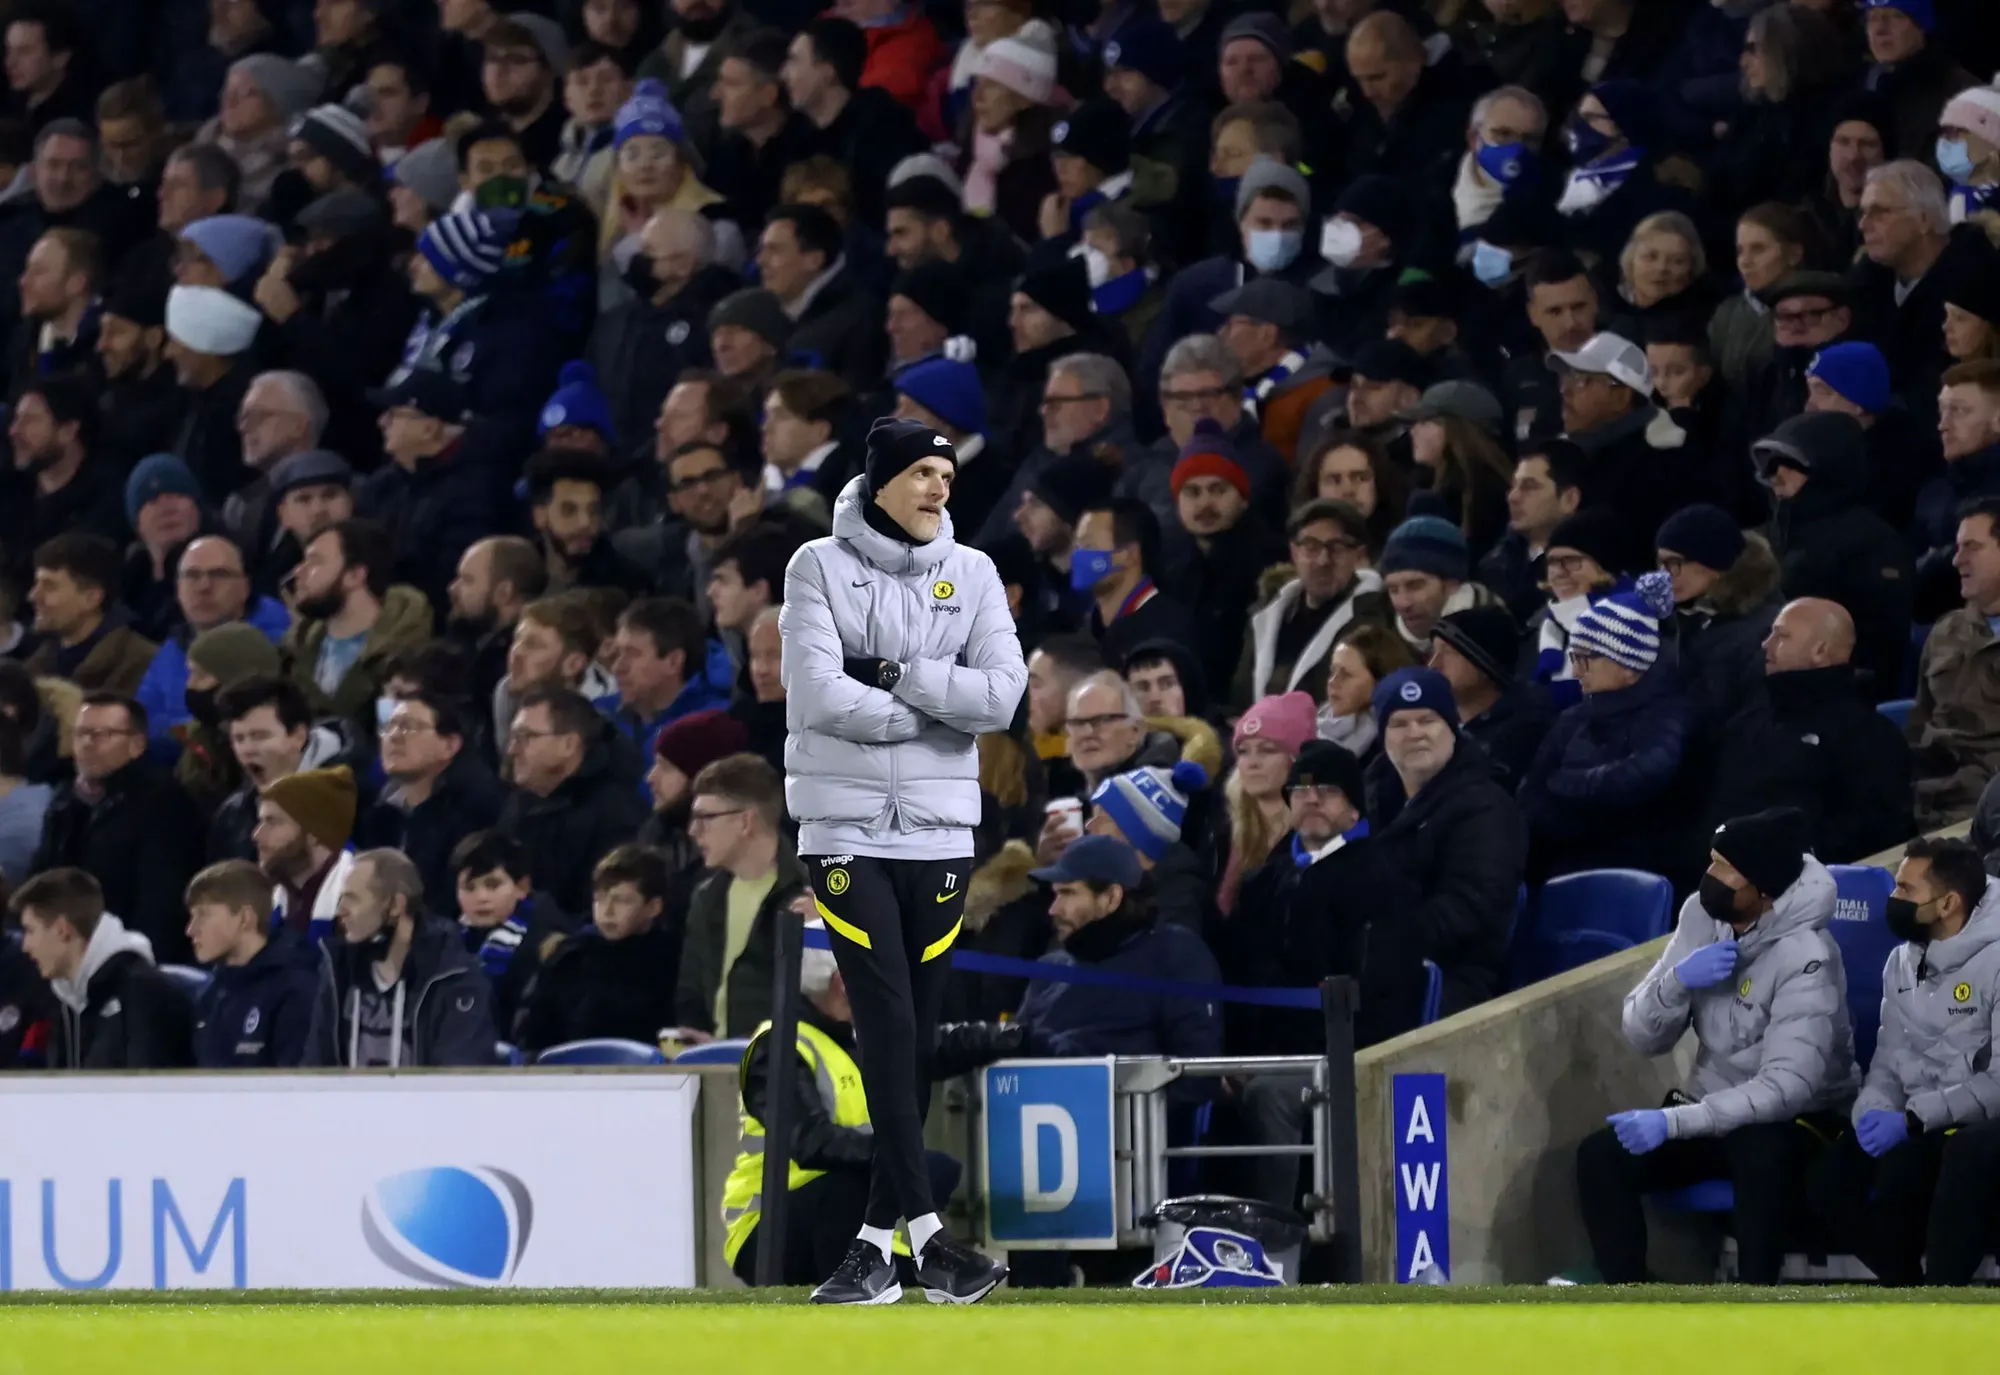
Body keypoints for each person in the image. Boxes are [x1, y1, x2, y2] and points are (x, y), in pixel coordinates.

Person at [779, 416, 1025, 1304]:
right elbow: (815, 695)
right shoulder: (815, 565)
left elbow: (1000, 697)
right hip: (843, 831)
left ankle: (874, 1251)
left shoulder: (976, 572)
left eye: (945, 477)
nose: (936, 489)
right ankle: (930, 1238)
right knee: (884, 1012)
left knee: (916, 1031)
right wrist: (934, 709)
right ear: (879, 479)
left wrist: (890, 675)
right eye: (920, 473)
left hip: (940, 834)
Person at [1578, 807, 1857, 1287]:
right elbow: (1643, 1036)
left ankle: (1751, 1313)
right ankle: (1627, 1301)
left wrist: (1672, 1121)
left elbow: (1785, 1089)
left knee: (1758, 1153)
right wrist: (1676, 983)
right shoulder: (1701, 917)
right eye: (1711, 861)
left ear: (1763, 889)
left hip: (1801, 1121)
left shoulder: (1808, 956)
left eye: (1725, 868)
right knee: (1601, 1156)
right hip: (1711, 1108)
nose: (1710, 877)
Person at [1223, 740, 1425, 1204]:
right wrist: (1232, 1058)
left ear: (1354, 807)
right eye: (1300, 789)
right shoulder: (1263, 882)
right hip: (1264, 1056)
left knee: (1269, 1097)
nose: (1311, 799)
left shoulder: (1382, 880)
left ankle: (1276, 1242)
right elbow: (1236, 977)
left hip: (1345, 1055)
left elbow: (1381, 994)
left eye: (1327, 790)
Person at [1808, 836, 2000, 1287]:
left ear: (1948, 902)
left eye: (1905, 891)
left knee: (1912, 1169)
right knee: (1828, 1181)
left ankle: (1941, 1298)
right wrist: (1875, 1107)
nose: (1892, 900)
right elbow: (1891, 1058)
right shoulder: (1900, 961)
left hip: (1973, 1119)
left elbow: (1997, 1082)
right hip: (1916, 1114)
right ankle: (1904, 1288)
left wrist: (1914, 1120)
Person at [1519, 573, 1704, 893]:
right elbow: (1528, 799)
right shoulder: (1572, 719)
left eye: (1585, 658)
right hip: (1559, 873)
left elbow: (1641, 778)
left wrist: (1562, 783)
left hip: (1637, 878)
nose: (1576, 671)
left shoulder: (1670, 714)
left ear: (1628, 664)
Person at [1371, 667, 1527, 1015]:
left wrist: (1377, 943)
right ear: (1382, 736)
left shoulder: (1486, 805)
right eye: (1399, 724)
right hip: (1379, 973)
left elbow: (1469, 907)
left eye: (1428, 720)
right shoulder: (1368, 801)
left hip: (1452, 984)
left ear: (1452, 728)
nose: (1415, 734)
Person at [1711, 598, 1914, 862]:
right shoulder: (1752, 714)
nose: (1765, 644)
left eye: (1781, 636)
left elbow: (1870, 832)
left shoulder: (1869, 737)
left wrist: (1774, 858)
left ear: (1820, 651)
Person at [31, 692, 202, 962]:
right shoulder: (65, 800)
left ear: (136, 744)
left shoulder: (162, 802)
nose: (87, 743)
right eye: (81, 734)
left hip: (126, 960)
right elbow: (40, 880)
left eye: (101, 735)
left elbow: (161, 903)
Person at [1755, 412, 1915, 701]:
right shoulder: (1769, 538)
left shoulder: (1873, 543)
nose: (1774, 472)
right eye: (1770, 461)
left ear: (1829, 467)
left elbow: (1879, 650)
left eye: (1789, 461)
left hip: (1829, 701)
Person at [303, 848, 495, 1068]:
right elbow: (314, 1071)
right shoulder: (338, 970)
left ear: (396, 906)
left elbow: (456, 1082)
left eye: (352, 900)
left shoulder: (455, 977)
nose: (340, 911)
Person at [13, 866, 194, 1069]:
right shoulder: (65, 1000)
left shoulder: (145, 993)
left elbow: (149, 1094)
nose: (25, 946)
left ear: (63, 930)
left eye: (30, 930)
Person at [676, 752, 804, 1039]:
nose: (693, 831)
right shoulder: (706, 897)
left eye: (705, 818)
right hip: (716, 1066)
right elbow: (690, 993)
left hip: (787, 1070)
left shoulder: (813, 892)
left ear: (746, 822)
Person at [497, 686, 650, 917]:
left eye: (526, 737)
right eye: (513, 737)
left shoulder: (616, 814)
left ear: (569, 744)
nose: (512, 749)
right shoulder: (520, 803)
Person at [516, 843, 681, 1054]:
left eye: (621, 900)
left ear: (653, 907)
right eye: (599, 899)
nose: (607, 911)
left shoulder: (673, 960)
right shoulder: (568, 957)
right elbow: (533, 1037)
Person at [356, 694, 505, 914]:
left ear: (449, 745)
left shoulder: (475, 813)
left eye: (409, 727)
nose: (394, 736)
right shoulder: (378, 815)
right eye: (388, 727)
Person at [282, 518, 436, 727]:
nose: (298, 572)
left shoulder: (409, 654)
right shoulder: (294, 651)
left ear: (355, 575)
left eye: (315, 562)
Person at [1233, 498, 1385, 709]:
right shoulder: (1267, 616)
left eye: (1336, 548)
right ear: (1294, 553)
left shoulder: (1376, 621)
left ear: (1357, 556)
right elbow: (1241, 697)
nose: (1323, 560)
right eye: (1311, 547)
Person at [1655, 504, 1784, 736]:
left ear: (1715, 563)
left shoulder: (1763, 631)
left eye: (1674, 564)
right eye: (1661, 564)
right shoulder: (1680, 619)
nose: (1664, 575)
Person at [184, 859, 317, 1069]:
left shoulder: (296, 990)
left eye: (203, 915)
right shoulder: (211, 995)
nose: (190, 930)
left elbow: (296, 1091)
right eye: (192, 917)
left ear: (245, 918)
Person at [451, 829, 572, 1041]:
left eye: (493, 884)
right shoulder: (449, 940)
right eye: (469, 887)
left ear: (522, 887)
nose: (481, 898)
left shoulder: (549, 944)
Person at [1429, 605, 1551, 792]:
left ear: (1485, 662)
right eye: (1434, 652)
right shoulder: (1430, 723)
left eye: (1449, 652)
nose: (1433, 665)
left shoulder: (1521, 735)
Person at [23, 533, 157, 695]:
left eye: (49, 586)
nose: (33, 596)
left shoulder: (146, 666)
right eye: (36, 583)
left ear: (91, 598)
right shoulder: (35, 669)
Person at [258, 764, 359, 943]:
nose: (257, 834)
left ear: (315, 833)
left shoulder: (360, 899)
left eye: (272, 822)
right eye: (261, 821)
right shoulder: (272, 898)